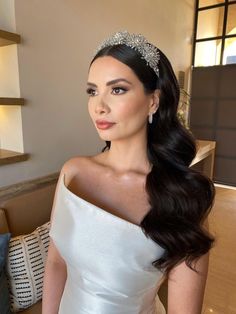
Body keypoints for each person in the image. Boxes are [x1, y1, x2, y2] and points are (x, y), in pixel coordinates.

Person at [42, 31, 215, 314]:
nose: (99, 106)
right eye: (92, 90)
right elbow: (56, 262)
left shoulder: (182, 198)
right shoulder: (73, 173)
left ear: (153, 101)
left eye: (117, 89)